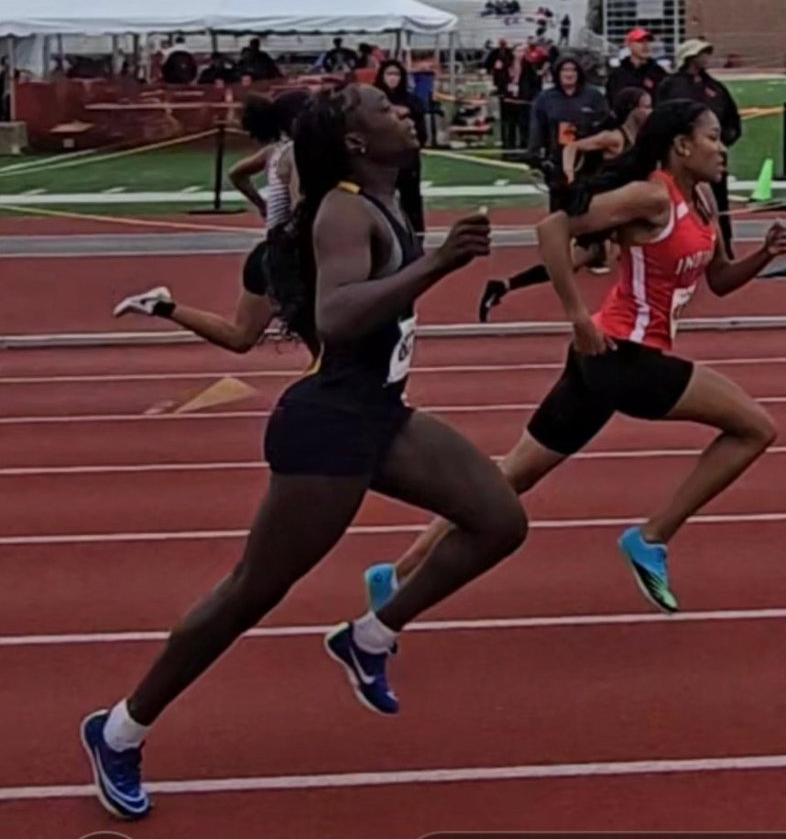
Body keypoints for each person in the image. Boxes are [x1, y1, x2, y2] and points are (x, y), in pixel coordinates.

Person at [81, 84, 527, 823]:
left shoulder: (379, 199)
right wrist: (440, 263)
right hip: (328, 428)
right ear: (354, 142)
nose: (403, 112)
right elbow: (337, 314)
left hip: (378, 414)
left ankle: (369, 635)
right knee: (250, 592)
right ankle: (120, 729)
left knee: (498, 519)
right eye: (383, 110)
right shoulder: (345, 208)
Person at [372, 99, 786, 618]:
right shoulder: (650, 197)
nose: (723, 147)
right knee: (755, 428)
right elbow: (552, 230)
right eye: (712, 137)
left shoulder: (703, 198)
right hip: (625, 357)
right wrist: (576, 316)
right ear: (681, 146)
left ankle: (395, 574)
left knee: (509, 481)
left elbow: (721, 283)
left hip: (604, 361)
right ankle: (651, 537)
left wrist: (766, 254)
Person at [111, 90, 309, 353]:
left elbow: (236, 173)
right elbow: (300, 210)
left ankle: (159, 305)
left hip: (270, 252)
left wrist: (262, 205)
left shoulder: (275, 151)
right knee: (325, 331)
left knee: (241, 338)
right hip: (284, 257)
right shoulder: (296, 153)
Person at [477, 86, 653, 321]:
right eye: (646, 106)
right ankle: (626, 316)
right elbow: (572, 146)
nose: (651, 111)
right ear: (632, 110)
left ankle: (503, 285)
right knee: (577, 263)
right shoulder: (614, 138)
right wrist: (569, 172)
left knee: (573, 265)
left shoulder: (642, 139)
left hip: (621, 209)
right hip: (601, 209)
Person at [659, 39, 742, 252]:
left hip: (712, 158)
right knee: (678, 202)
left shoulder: (715, 87)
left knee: (717, 203)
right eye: (700, 53)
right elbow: (660, 120)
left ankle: (722, 248)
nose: (705, 58)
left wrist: (720, 141)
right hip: (679, 159)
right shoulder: (670, 86)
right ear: (689, 57)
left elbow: (733, 122)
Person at [374, 59, 428, 236]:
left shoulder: (412, 101)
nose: (392, 79)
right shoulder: (373, 101)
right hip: (382, 159)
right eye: (389, 74)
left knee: (411, 199)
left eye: (396, 74)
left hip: (407, 159)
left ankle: (416, 235)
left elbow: (421, 132)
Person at [606, 27, 666, 105]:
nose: (645, 45)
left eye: (648, 41)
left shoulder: (658, 72)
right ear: (629, 45)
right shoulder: (619, 74)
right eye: (640, 41)